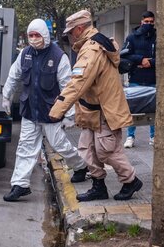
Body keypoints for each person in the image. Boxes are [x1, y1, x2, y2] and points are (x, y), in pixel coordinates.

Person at [49, 10, 143, 202]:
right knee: (87, 149)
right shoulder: (88, 46)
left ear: (80, 29)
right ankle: (98, 186)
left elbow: (78, 82)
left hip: (104, 111)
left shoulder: (92, 50)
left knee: (106, 151)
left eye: (71, 31)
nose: (69, 35)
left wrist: (58, 110)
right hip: (92, 110)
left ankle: (130, 180)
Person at [1, 18, 88, 202]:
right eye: (30, 35)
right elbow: (13, 75)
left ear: (45, 36)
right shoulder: (25, 54)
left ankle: (80, 166)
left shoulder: (58, 57)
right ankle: (20, 185)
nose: (33, 39)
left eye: (37, 35)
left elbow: (67, 87)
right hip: (30, 112)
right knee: (25, 148)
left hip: (51, 113)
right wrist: (6, 96)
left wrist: (69, 115)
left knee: (60, 146)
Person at [121, 11, 156, 148]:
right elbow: (125, 55)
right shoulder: (132, 37)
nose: (149, 24)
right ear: (141, 21)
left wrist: (150, 62)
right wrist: (140, 59)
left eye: (151, 22)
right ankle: (130, 136)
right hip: (135, 77)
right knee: (132, 109)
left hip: (153, 78)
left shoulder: (158, 37)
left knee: (153, 109)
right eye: (146, 21)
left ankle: (153, 136)